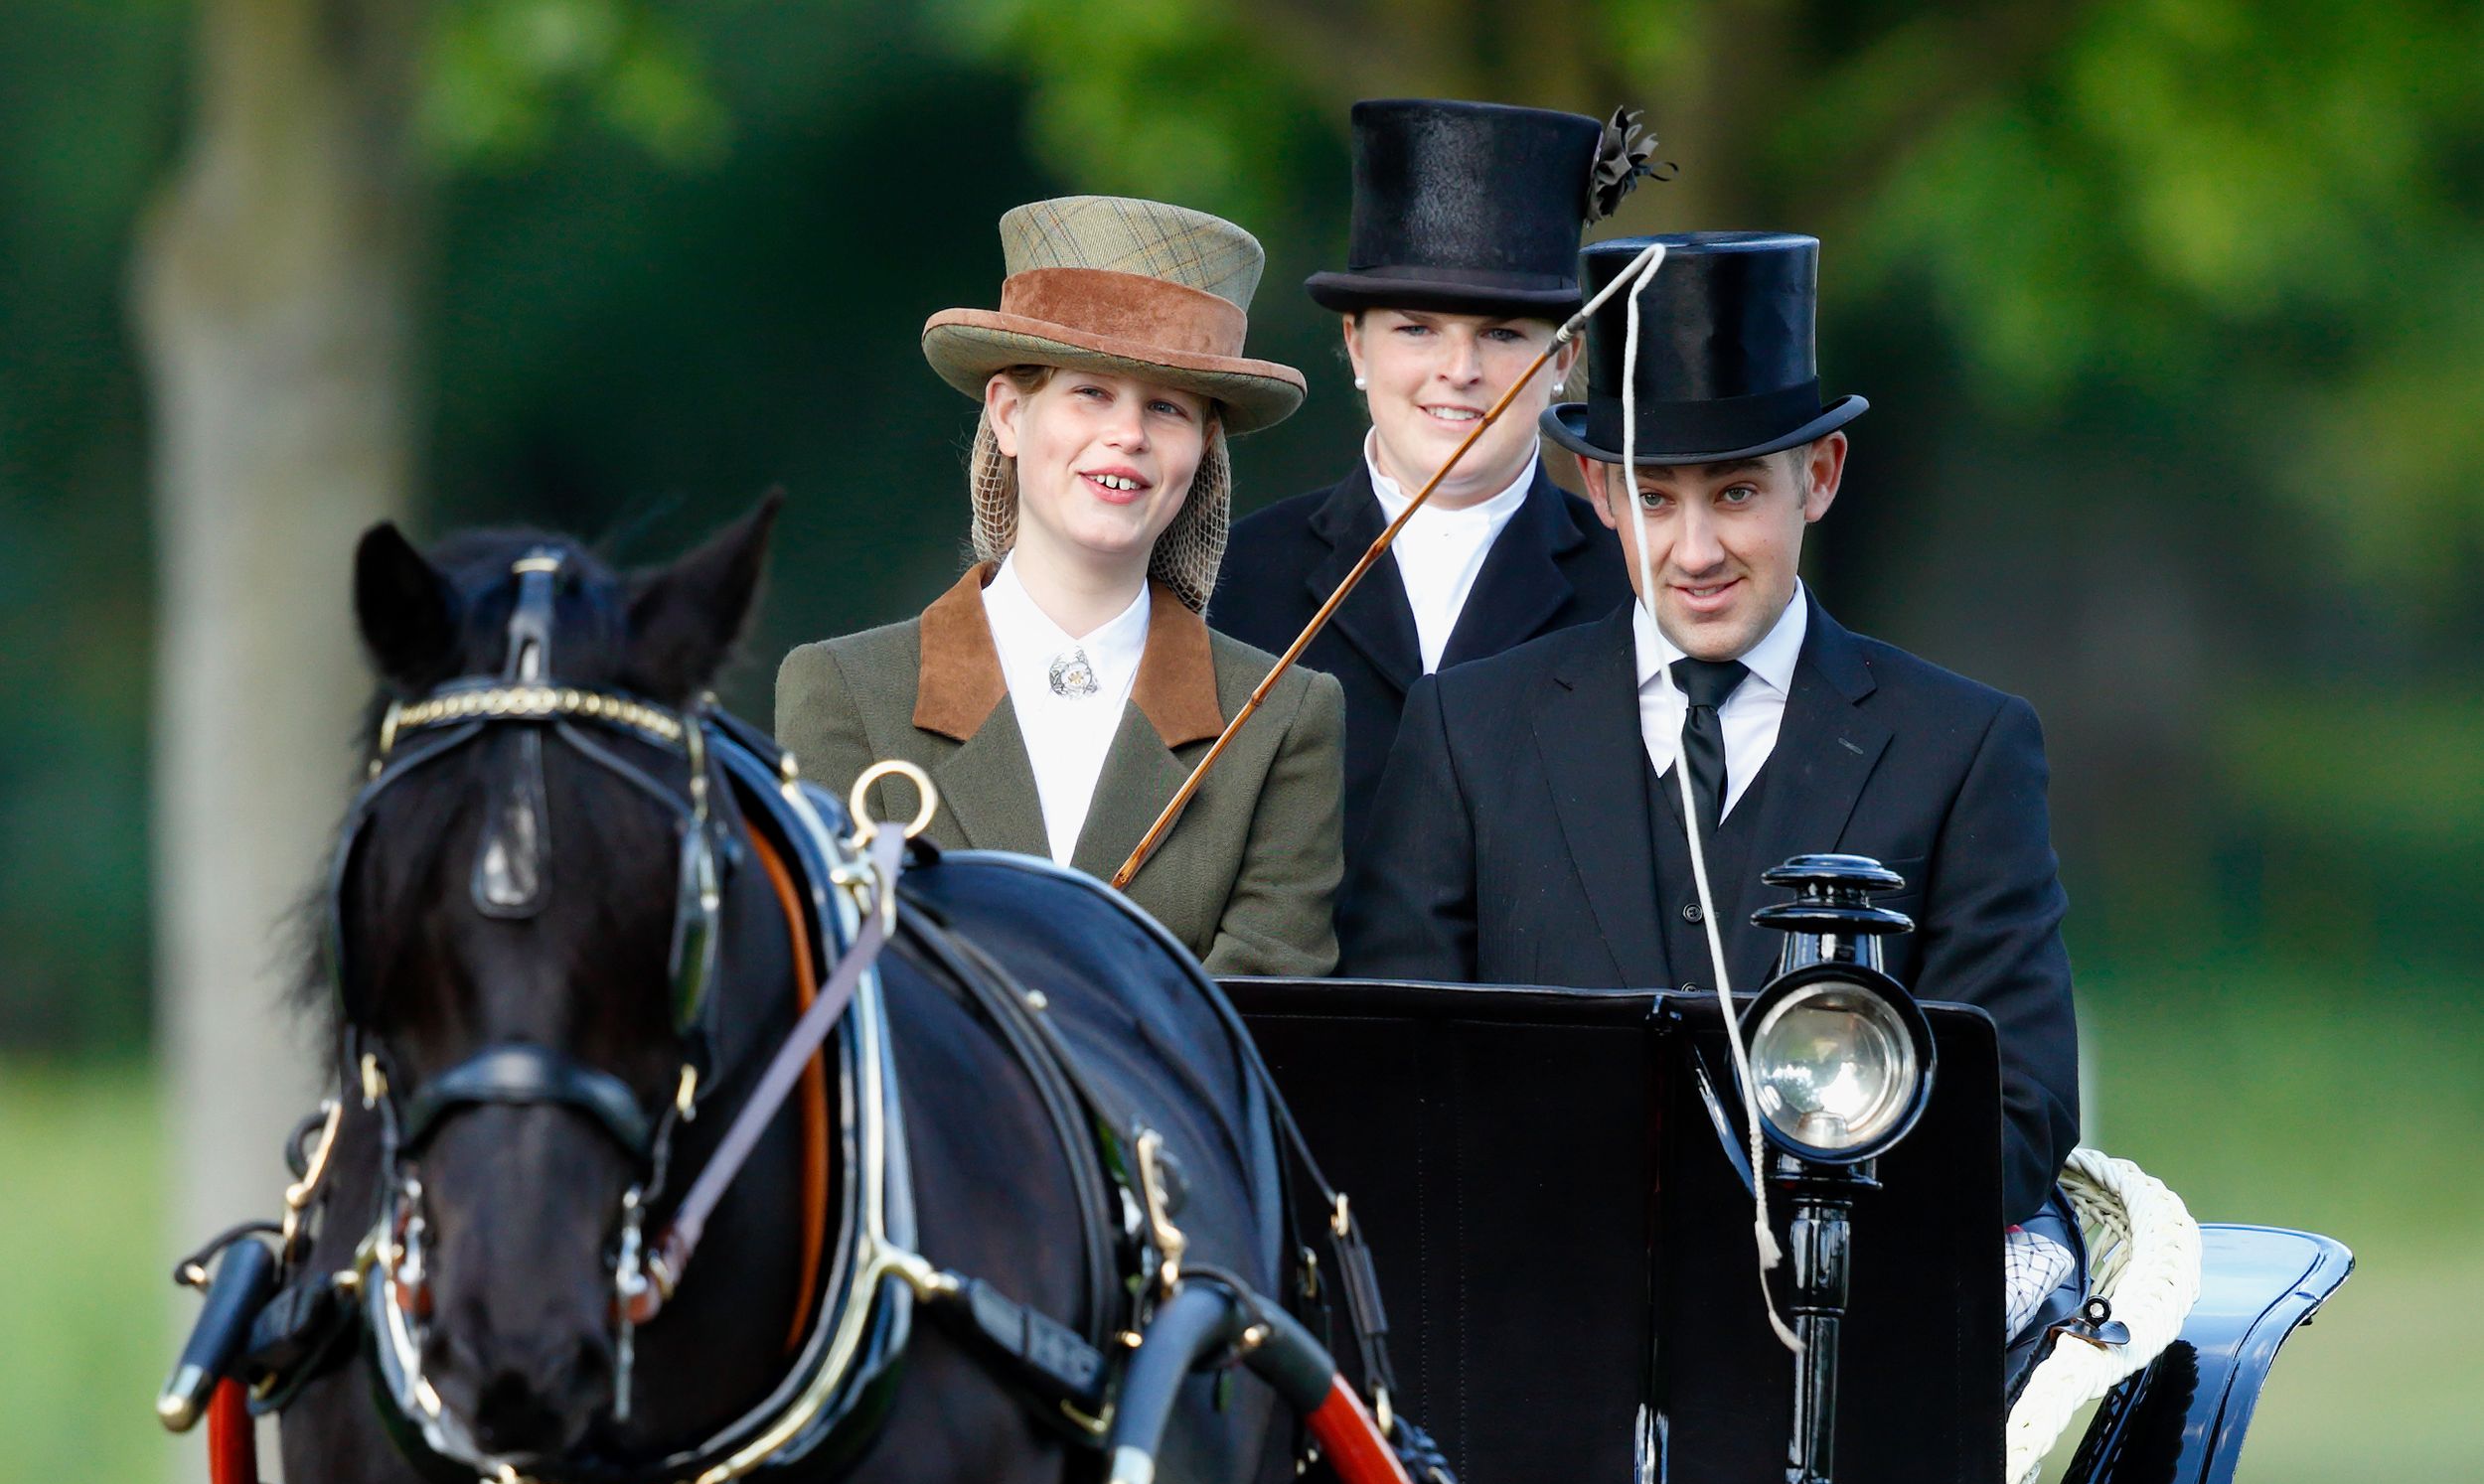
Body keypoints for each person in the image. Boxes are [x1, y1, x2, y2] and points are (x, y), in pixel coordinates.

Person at [1339, 232, 2079, 1222]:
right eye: (1653, 498)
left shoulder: (1963, 748)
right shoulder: (1468, 733)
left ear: (1817, 476)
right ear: (1599, 492)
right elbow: (1390, 1077)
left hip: (1831, 1343)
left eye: (1734, 494)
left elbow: (2016, 1116)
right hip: (1534, 1336)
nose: (1694, 552)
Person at [778, 196, 1346, 975]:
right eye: (1091, 392)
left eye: (1167, 407)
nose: (1129, 434)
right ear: (1009, 414)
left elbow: (1265, 1014)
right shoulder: (844, 693)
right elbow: (822, 978)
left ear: (1203, 448)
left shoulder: (1284, 720)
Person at [1209, 99, 1659, 864]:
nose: (1459, 371)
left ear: (1560, 361)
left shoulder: (1639, 586)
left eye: (1503, 333)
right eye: (1417, 329)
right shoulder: (1232, 577)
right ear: (1356, 346)